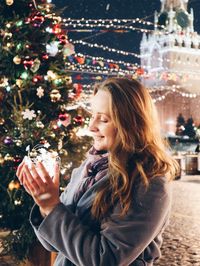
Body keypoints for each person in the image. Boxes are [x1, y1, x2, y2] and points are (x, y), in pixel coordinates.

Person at [16, 77, 178, 266]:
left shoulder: (147, 181)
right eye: (92, 116)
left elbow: (105, 259)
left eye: (103, 119)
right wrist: (44, 204)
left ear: (131, 123)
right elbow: (54, 244)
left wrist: (52, 206)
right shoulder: (87, 169)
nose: (91, 127)